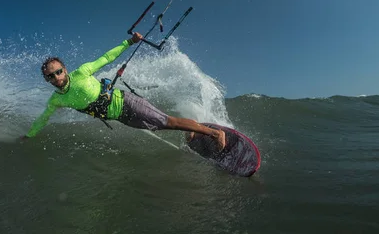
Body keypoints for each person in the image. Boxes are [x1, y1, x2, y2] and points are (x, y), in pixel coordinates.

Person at [21, 32, 226, 150]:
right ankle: (191, 129)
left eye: (58, 72)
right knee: (159, 126)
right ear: (47, 80)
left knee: (165, 121)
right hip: (119, 116)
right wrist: (29, 136)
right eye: (51, 76)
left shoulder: (81, 73)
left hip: (126, 102)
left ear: (64, 69)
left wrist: (129, 42)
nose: (56, 77)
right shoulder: (55, 101)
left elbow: (106, 58)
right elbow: (42, 119)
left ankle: (215, 133)